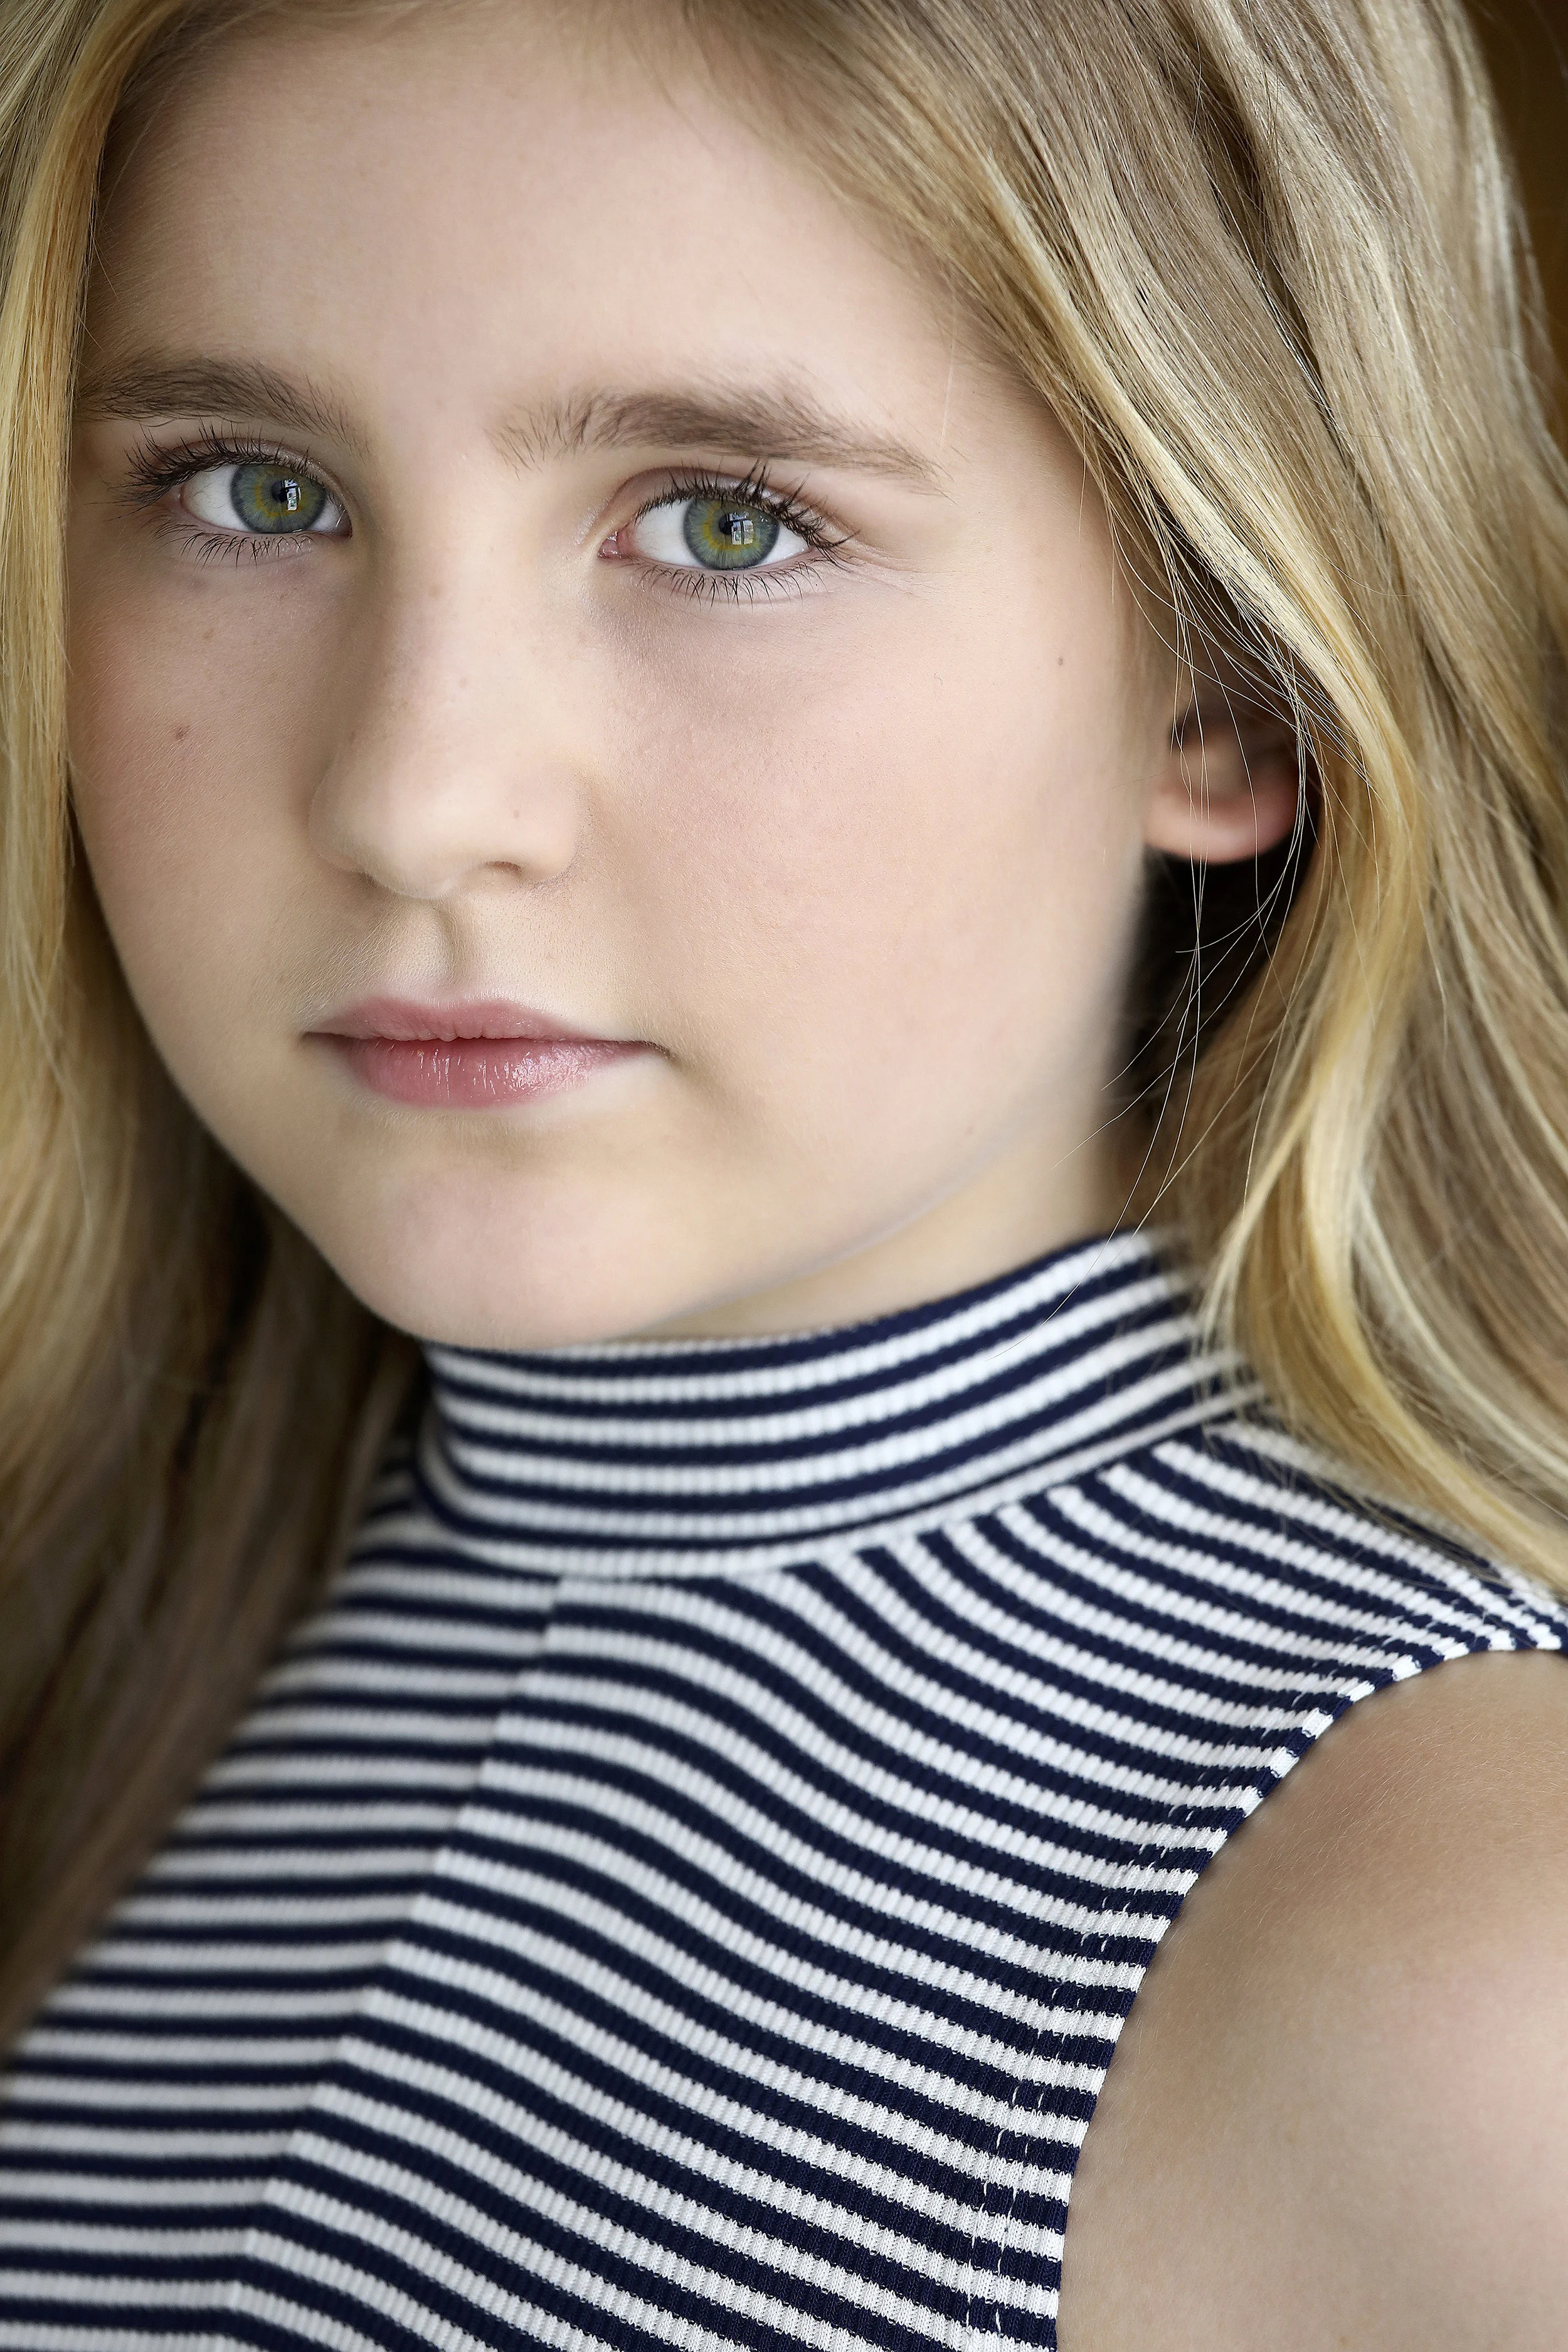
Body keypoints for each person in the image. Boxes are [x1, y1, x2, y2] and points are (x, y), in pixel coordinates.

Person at [1, 0, 1566, 2342]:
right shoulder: (110, 1633)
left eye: (724, 524)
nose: (419, 800)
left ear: (1227, 679)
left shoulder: (1459, 1971)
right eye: (255, 488)